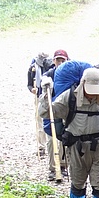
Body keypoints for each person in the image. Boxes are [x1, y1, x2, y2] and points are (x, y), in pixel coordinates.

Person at [39, 67, 99, 198]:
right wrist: (45, 93)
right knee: (77, 183)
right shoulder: (69, 97)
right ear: (83, 83)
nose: (93, 93)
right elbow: (46, 112)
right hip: (76, 147)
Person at [42, 49, 70, 180]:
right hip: (51, 112)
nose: (60, 62)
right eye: (58, 60)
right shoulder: (48, 75)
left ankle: (63, 166)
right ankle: (53, 168)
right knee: (51, 140)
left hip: (64, 111)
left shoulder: (70, 74)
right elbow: (41, 98)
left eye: (63, 60)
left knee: (64, 138)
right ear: (54, 61)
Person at [27, 52, 54, 157]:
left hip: (51, 96)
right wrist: (32, 89)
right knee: (39, 120)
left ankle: (50, 145)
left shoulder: (51, 68)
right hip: (39, 96)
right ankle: (41, 146)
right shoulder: (33, 68)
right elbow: (29, 84)